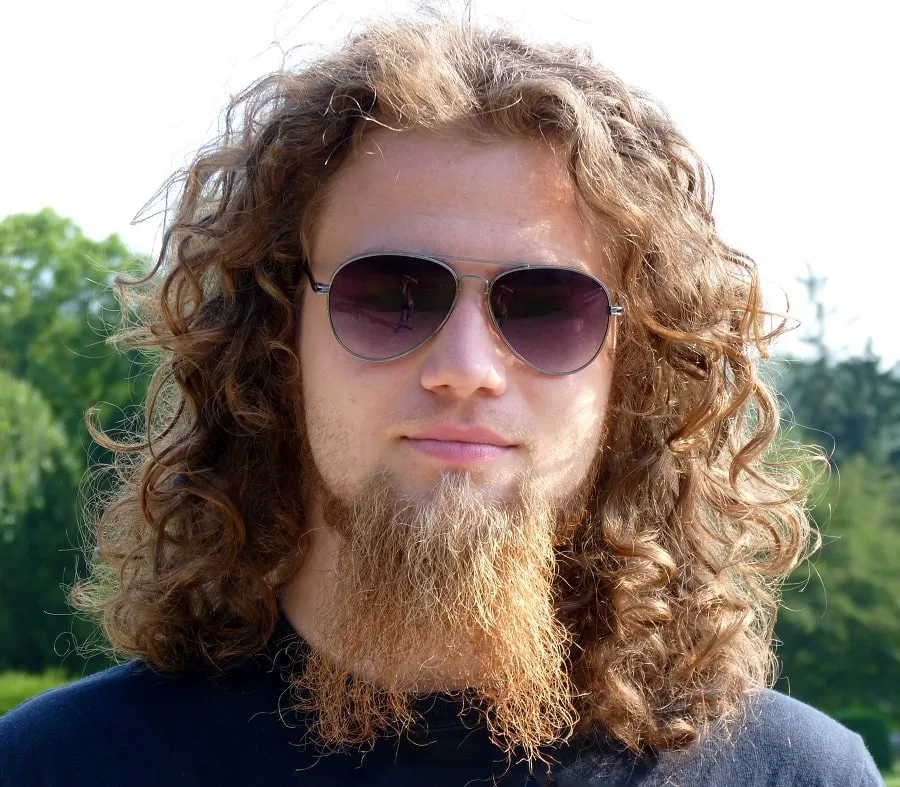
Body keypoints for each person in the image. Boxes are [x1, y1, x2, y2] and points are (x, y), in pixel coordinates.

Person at [0, 14, 883, 787]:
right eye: (389, 295)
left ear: (636, 371)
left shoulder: (800, 776)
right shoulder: (52, 768)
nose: (466, 366)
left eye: (546, 308)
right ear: (276, 344)